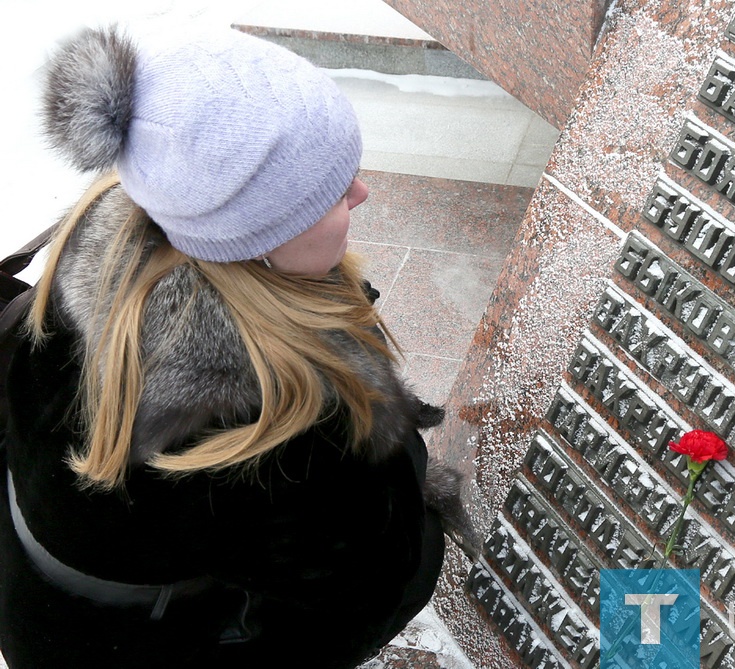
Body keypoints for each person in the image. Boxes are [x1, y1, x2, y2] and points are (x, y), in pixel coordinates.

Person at [0, 25, 472, 668]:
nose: (362, 193)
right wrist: (401, 467)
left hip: (44, 615)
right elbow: (371, 585)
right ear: (261, 237)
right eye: (333, 191)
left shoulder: (99, 247)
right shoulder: (284, 424)